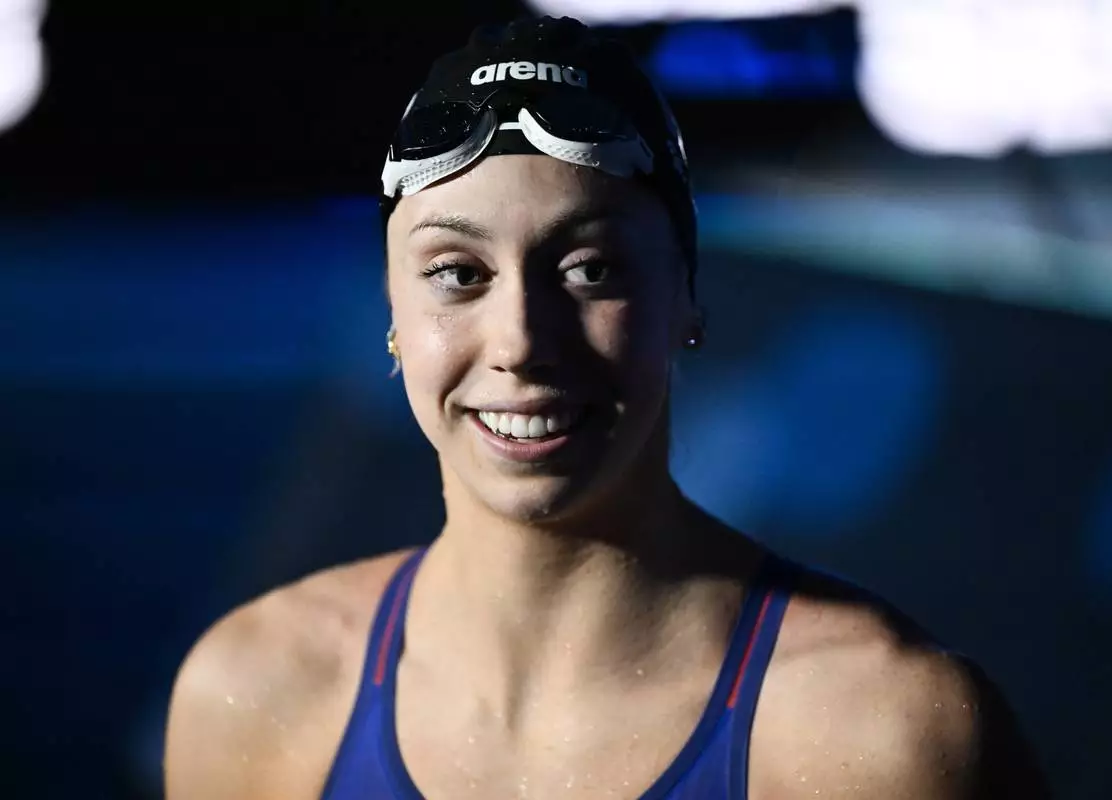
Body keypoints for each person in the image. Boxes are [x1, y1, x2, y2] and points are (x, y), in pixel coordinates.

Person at [164, 16, 1050, 800]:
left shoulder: (881, 736)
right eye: (456, 274)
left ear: (686, 299)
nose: (520, 340)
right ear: (393, 315)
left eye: (589, 269)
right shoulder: (261, 695)